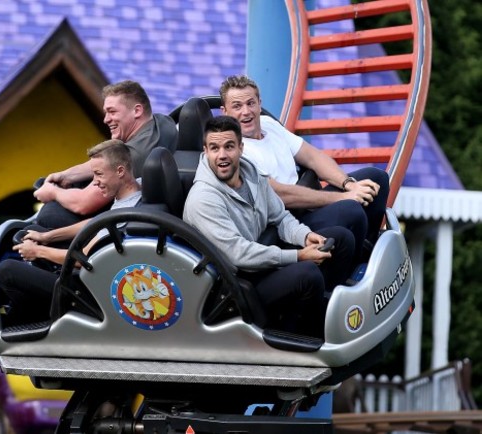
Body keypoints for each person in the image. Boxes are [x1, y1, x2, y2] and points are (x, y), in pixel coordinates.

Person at [182, 116, 355, 337]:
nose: (222, 155)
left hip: (261, 263)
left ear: (241, 148)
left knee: (340, 239)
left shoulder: (251, 173)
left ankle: (323, 318)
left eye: (229, 147)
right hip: (235, 285)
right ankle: (299, 341)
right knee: (308, 274)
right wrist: (299, 255)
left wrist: (305, 236)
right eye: (214, 148)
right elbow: (238, 255)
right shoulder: (203, 199)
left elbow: (280, 216)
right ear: (205, 151)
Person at [218, 75, 389, 262]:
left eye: (251, 103)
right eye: (237, 106)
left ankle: (367, 254)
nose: (246, 112)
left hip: (308, 203)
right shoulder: (234, 151)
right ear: (225, 112)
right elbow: (279, 194)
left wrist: (348, 184)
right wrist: (343, 197)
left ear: (259, 104)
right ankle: (355, 268)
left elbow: (313, 157)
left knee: (377, 178)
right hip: (285, 222)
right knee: (351, 210)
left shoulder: (268, 124)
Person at [0, 139, 142, 325]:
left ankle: (38, 320)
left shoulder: (120, 221)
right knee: (34, 231)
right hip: (97, 265)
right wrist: (46, 237)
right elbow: (95, 223)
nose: (95, 183)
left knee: (6, 270)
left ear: (120, 171)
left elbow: (83, 259)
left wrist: (38, 251)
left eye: (99, 175)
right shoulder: (136, 188)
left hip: (88, 290)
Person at [32, 80, 177, 229]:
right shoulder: (162, 123)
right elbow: (107, 161)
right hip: (145, 209)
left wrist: (53, 192)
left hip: (125, 223)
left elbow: (83, 203)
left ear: (137, 110)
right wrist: (66, 175)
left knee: (49, 217)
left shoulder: (136, 156)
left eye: (112, 112)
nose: (106, 119)